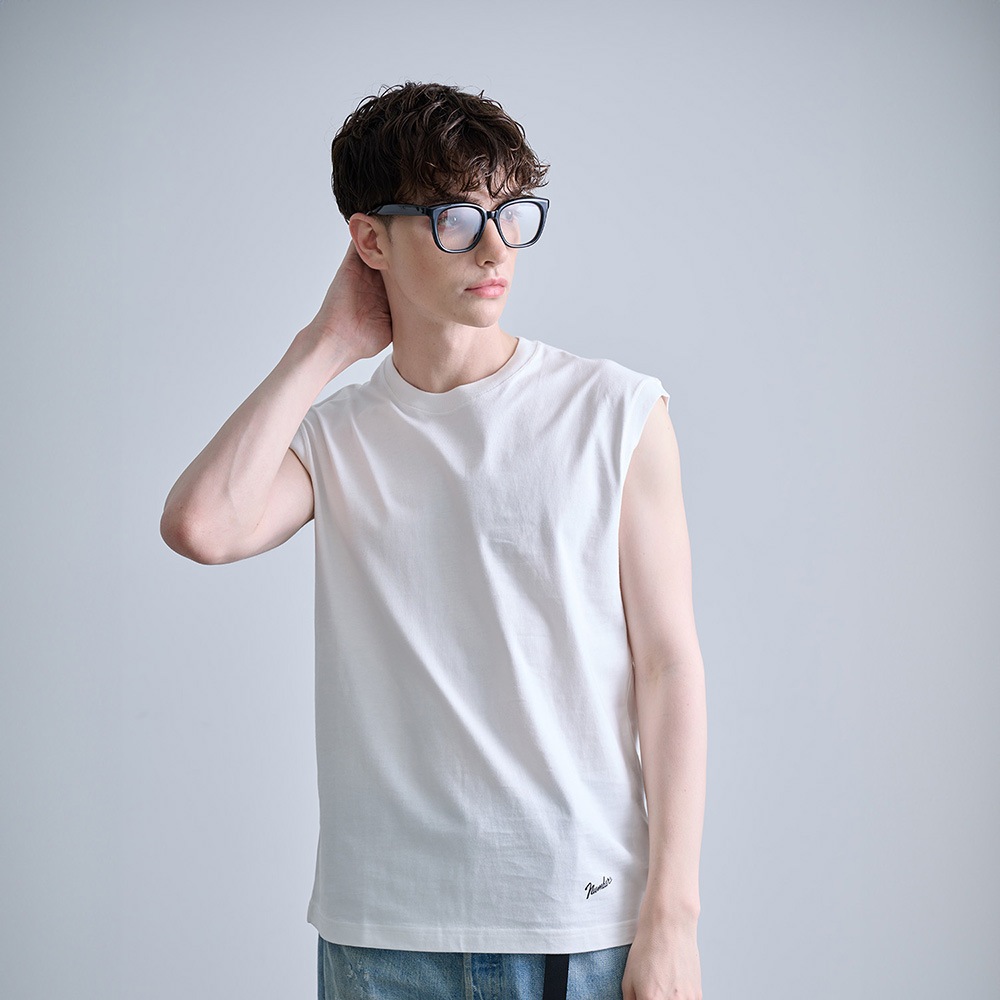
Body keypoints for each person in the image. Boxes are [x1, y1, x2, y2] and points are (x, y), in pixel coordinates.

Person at [160, 81, 707, 1000]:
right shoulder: (336, 437)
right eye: (456, 218)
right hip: (385, 934)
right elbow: (201, 526)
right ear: (370, 241)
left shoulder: (615, 411)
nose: (495, 250)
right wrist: (326, 342)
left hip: (580, 923)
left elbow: (669, 665)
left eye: (510, 213)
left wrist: (673, 919)